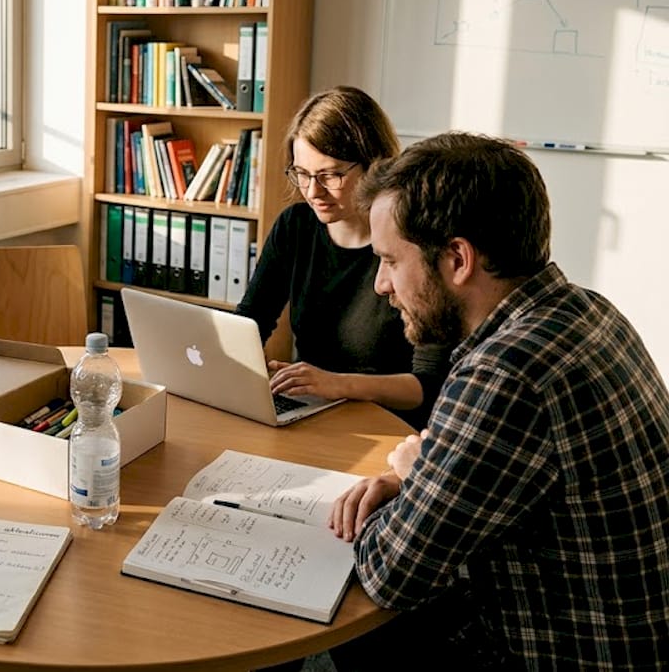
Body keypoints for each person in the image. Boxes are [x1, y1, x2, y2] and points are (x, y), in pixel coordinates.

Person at [329, 132, 669, 669]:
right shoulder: (587, 311)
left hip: (563, 654)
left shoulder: (505, 372)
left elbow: (389, 571)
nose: (381, 286)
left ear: (458, 259)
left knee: (351, 627)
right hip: (634, 637)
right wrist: (420, 473)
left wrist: (416, 475)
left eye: (391, 260)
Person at [234, 86, 449, 430]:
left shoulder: (413, 240)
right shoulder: (296, 226)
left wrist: (339, 383)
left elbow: (430, 384)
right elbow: (251, 320)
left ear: (375, 163)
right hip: (309, 414)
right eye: (302, 174)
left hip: (386, 427)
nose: (313, 191)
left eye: (330, 175)